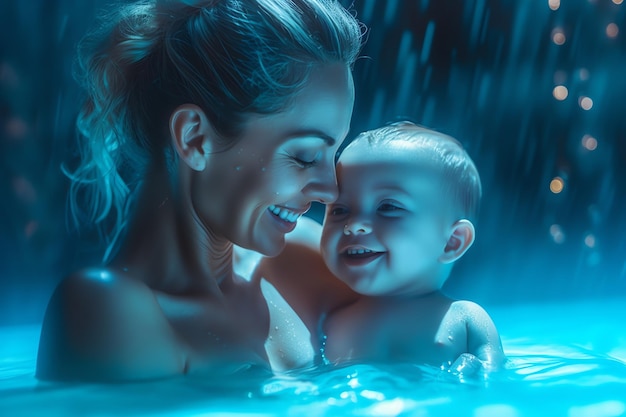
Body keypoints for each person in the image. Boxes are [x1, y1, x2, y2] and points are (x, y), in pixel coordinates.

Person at [36, 0, 363, 382]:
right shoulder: (103, 309)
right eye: (306, 156)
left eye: (333, 154)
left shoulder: (297, 263)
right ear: (194, 138)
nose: (330, 190)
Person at [257, 122, 505, 374]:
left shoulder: (465, 319)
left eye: (388, 207)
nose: (354, 226)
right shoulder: (331, 323)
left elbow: (492, 382)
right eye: (340, 210)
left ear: (453, 241)